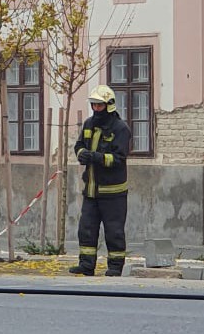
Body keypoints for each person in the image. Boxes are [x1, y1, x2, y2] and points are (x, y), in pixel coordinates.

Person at [68, 85, 132, 277]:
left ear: (109, 106)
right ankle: (86, 265)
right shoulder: (89, 124)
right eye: (94, 105)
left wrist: (96, 157)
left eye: (99, 105)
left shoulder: (121, 129)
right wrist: (82, 154)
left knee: (114, 231)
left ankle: (115, 266)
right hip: (91, 190)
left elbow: (119, 158)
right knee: (86, 228)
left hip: (113, 192)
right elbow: (79, 145)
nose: (96, 109)